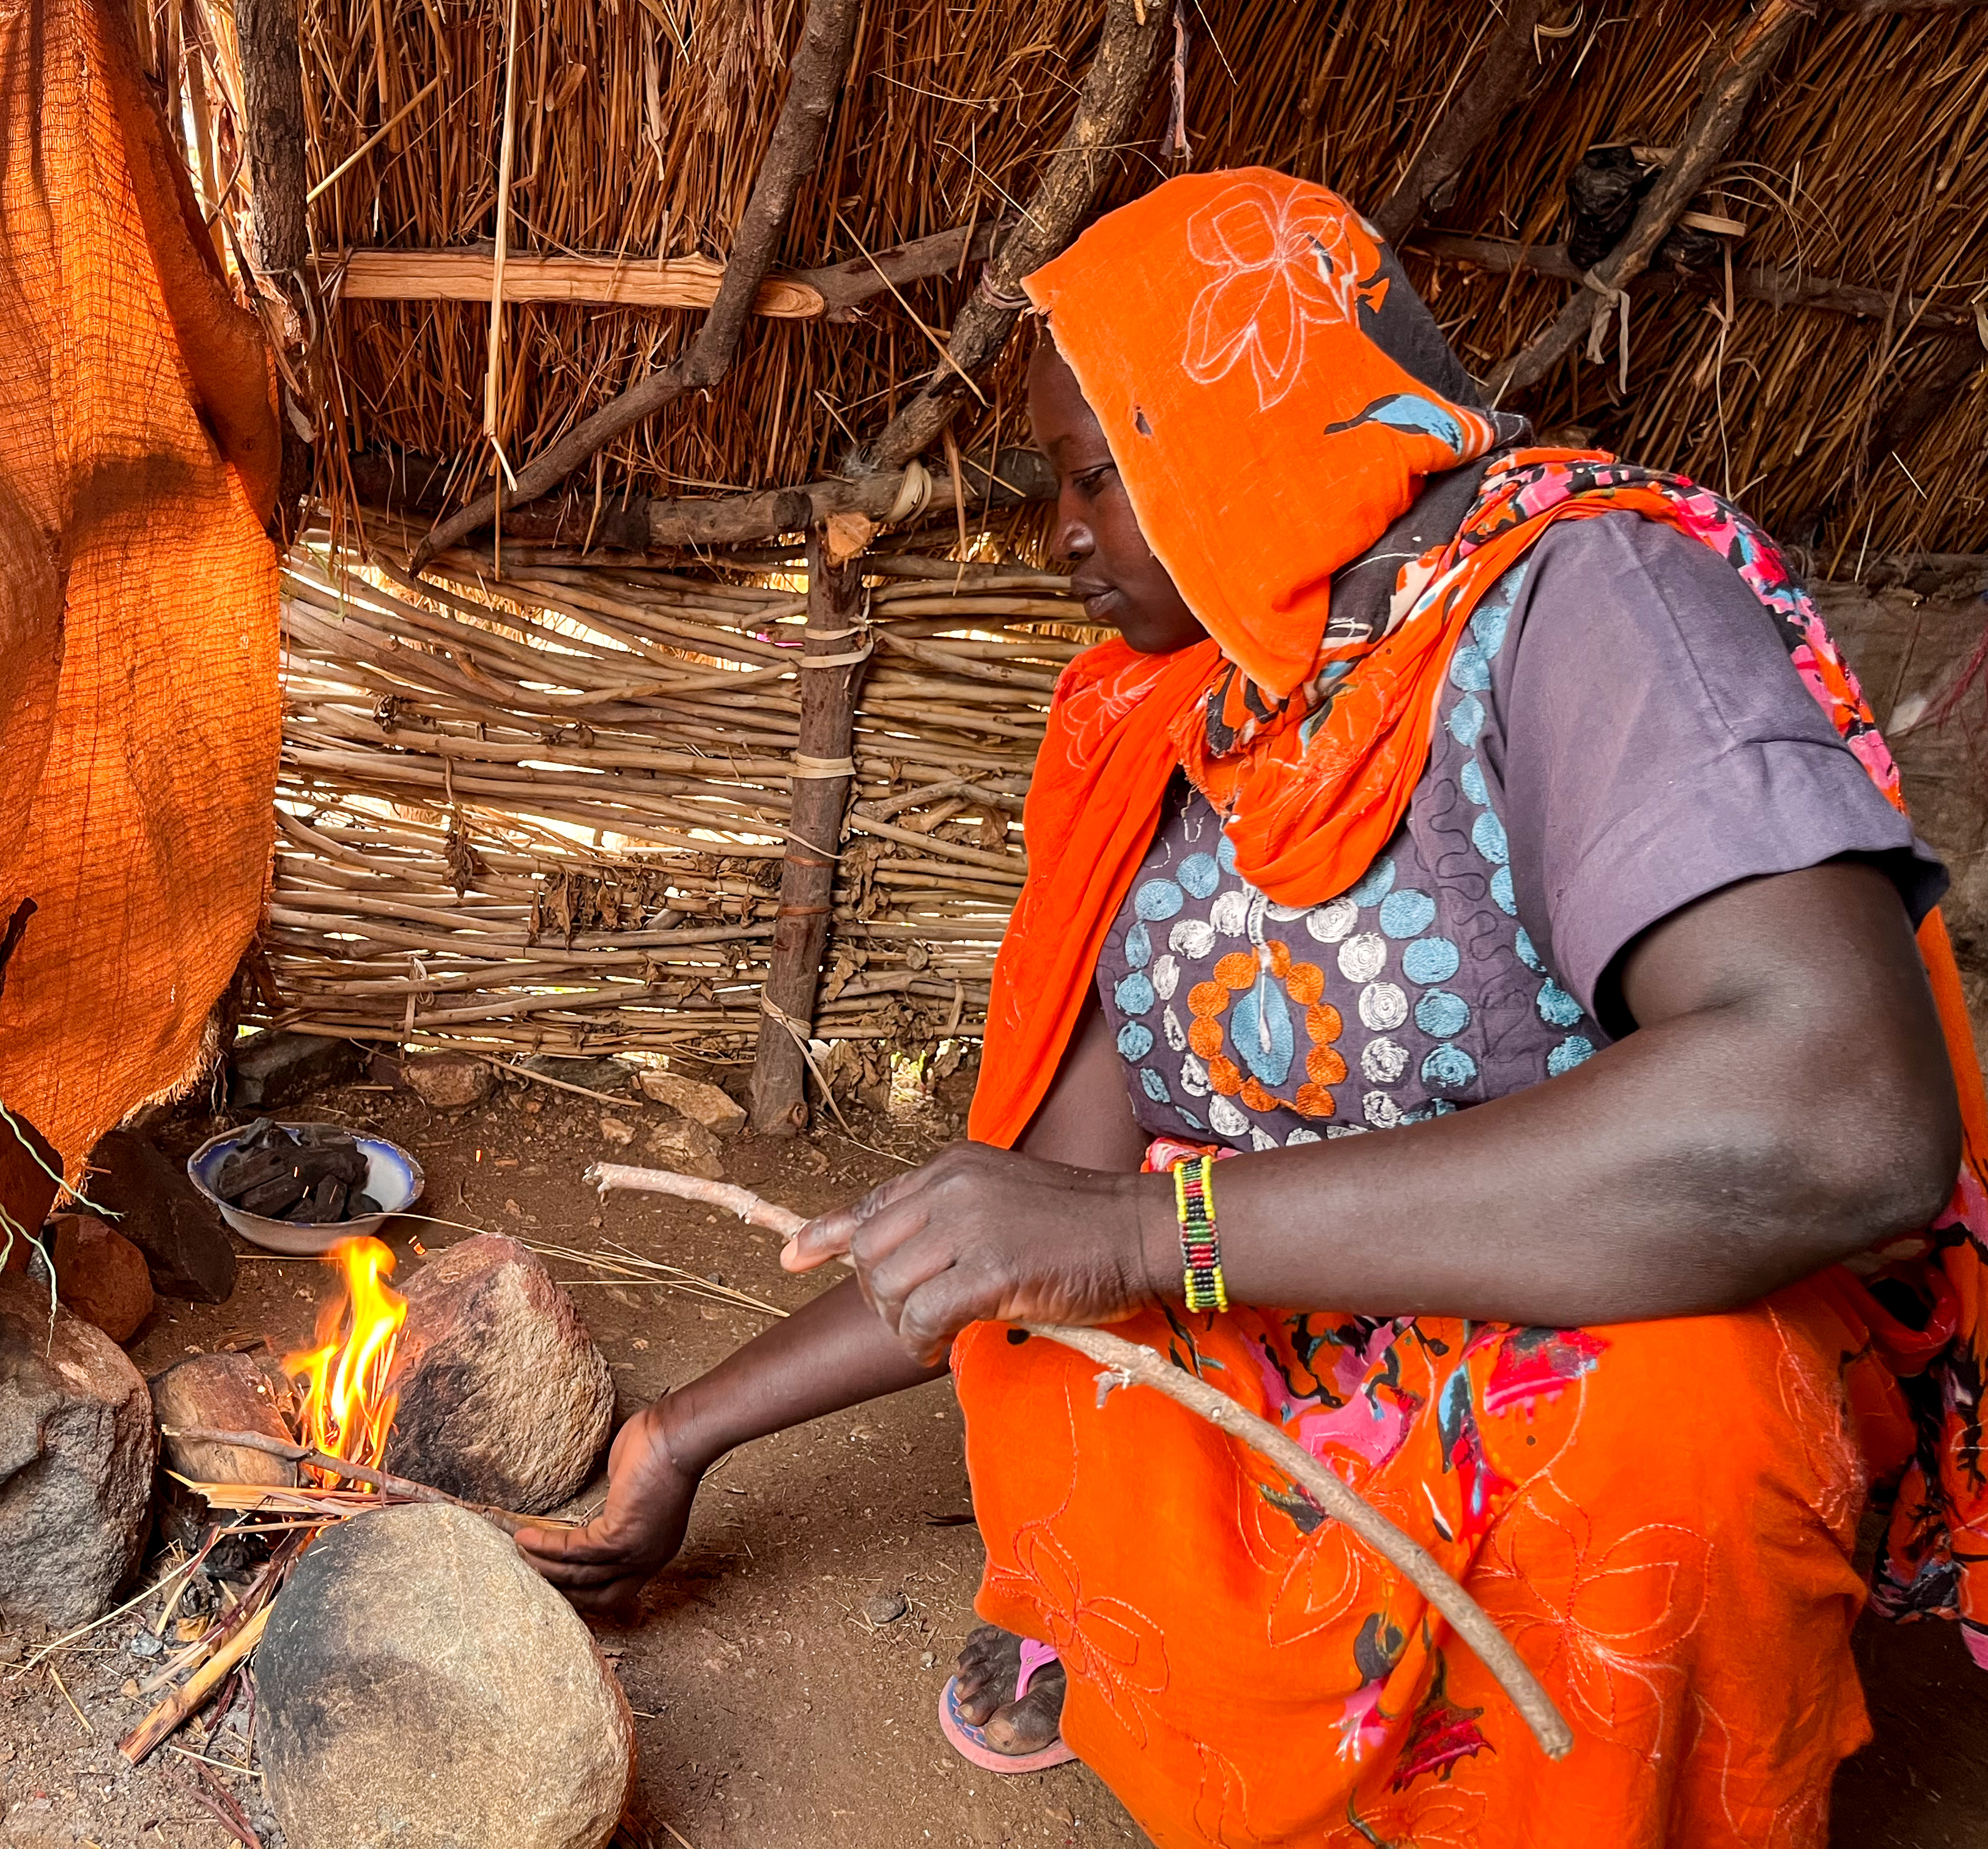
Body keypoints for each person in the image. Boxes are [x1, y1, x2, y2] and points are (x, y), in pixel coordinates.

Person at [516, 169, 1988, 1845]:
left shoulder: (1589, 607)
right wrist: (680, 1437)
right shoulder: (1186, 713)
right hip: (1296, 1332)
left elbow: (1847, 1117)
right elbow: (1038, 1206)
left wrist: (1168, 1237)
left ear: (1245, 425)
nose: (1058, 533)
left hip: (1571, 1362)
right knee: (1055, 1348)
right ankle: (1212, 1680)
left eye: (1097, 474)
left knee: (1690, 1428)